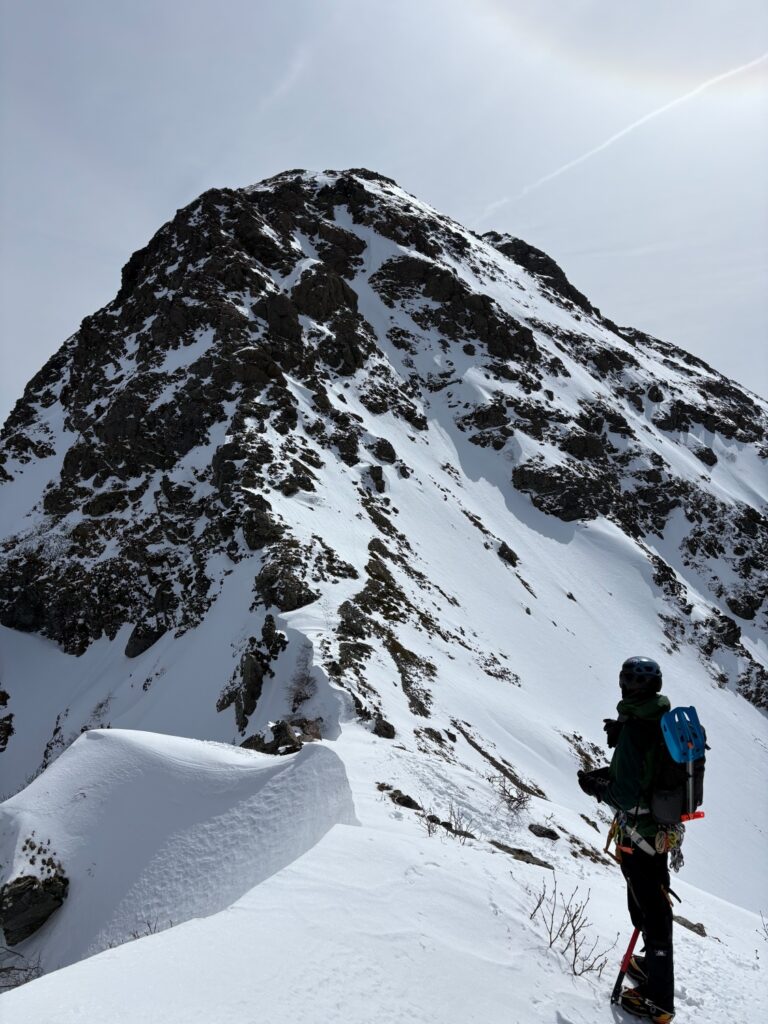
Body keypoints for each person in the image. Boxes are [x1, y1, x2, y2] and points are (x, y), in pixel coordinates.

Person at [578, 656, 675, 1023]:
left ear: (627, 685)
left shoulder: (638, 727)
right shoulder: (656, 717)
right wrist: (614, 765)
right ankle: (651, 964)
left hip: (639, 832)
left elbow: (628, 796)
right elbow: (645, 772)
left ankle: (659, 1001)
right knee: (650, 900)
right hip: (657, 832)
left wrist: (597, 787)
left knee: (652, 912)